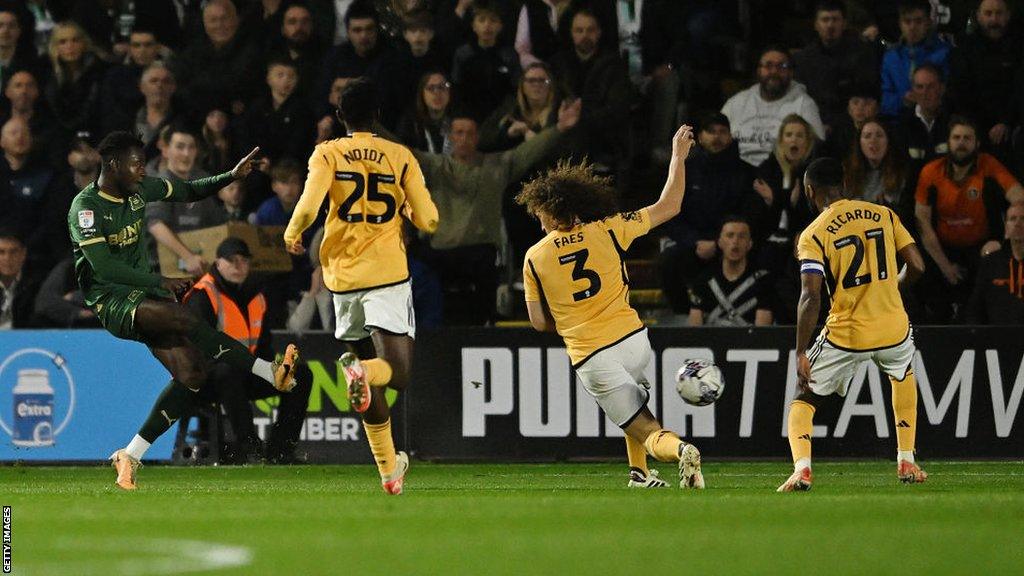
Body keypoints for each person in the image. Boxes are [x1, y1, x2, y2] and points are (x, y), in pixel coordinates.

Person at [67, 131, 298, 490]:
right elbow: (103, 269)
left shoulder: (140, 190)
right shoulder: (86, 208)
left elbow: (190, 190)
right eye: (135, 164)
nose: (142, 171)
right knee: (186, 317)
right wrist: (158, 281)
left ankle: (130, 454)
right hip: (112, 301)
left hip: (143, 295)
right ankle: (269, 372)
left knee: (192, 374)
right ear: (113, 165)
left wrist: (230, 176)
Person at [518, 125, 704, 489]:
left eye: (541, 213)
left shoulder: (534, 257)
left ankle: (680, 450)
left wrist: (571, 323)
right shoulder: (608, 229)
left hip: (593, 354)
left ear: (556, 214)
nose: (539, 220)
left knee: (647, 429)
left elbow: (538, 322)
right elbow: (670, 205)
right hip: (634, 342)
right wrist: (678, 158)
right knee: (635, 407)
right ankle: (640, 474)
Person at [284, 79, 438, 495]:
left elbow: (310, 204)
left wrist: (292, 233)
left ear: (340, 117)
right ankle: (361, 370)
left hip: (341, 278)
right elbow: (430, 221)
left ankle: (390, 471)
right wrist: (406, 206)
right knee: (397, 374)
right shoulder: (400, 156)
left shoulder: (327, 152)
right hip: (385, 273)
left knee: (369, 384)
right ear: (379, 115)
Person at [779, 157, 927, 492]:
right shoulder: (884, 214)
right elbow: (917, 265)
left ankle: (802, 469)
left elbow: (810, 296)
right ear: (844, 182)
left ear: (809, 190)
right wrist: (892, 288)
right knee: (903, 376)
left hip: (848, 334)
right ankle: (907, 459)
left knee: (804, 399)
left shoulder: (813, 234)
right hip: (894, 328)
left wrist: (801, 350)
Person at [413, 101, 580, 325]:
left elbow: (526, 153)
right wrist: (365, 127)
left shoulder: (495, 166)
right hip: (441, 251)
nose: (464, 138)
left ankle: (485, 326)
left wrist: (559, 127)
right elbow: (401, 152)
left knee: (485, 268)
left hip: (479, 251)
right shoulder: (435, 166)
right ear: (450, 137)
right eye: (459, 133)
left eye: (470, 133)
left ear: (477, 137)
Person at [184, 237, 312, 464]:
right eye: (231, 261)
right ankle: (250, 448)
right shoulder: (202, 295)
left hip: (246, 372)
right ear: (218, 263)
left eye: (243, 261)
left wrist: (276, 371)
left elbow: (263, 347)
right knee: (227, 371)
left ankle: (280, 451)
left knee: (299, 374)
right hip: (206, 378)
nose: (238, 266)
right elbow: (197, 351)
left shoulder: (256, 296)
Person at [914, 116, 1023, 321]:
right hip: (941, 247)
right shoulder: (931, 172)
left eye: (967, 138)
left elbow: (1019, 196)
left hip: (980, 245)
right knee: (918, 264)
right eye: (956, 138)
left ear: (977, 144)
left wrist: (1003, 238)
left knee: (994, 258)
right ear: (948, 142)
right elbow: (922, 221)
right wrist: (945, 266)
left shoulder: (988, 166)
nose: (961, 143)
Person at [658, 112, 756, 314]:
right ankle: (683, 316)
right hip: (693, 244)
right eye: (711, 132)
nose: (716, 137)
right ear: (700, 136)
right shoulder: (683, 170)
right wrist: (695, 242)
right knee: (668, 261)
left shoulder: (746, 173)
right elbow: (669, 214)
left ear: (730, 136)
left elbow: (749, 214)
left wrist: (719, 241)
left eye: (722, 132)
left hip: (730, 243)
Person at [721, 46, 825, 167]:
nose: (774, 72)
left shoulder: (804, 104)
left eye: (782, 66)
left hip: (782, 175)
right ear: (759, 70)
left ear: (791, 72)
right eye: (768, 66)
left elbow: (816, 149)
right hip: (736, 172)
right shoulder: (736, 102)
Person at [792, 0, 878, 130]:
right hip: (813, 125)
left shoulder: (861, 54)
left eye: (835, 19)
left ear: (844, 23)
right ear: (816, 24)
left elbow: (865, 94)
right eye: (825, 20)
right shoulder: (803, 59)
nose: (830, 25)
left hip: (851, 125)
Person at [688, 217, 773, 327]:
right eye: (730, 235)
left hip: (748, 343)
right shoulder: (703, 280)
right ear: (719, 242)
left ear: (750, 244)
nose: (735, 241)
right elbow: (694, 332)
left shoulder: (763, 281)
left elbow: (761, 334)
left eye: (742, 236)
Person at [450, 0, 520, 122]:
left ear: (500, 26)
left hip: (501, 116)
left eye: (493, 20)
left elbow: (515, 89)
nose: (487, 25)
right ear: (474, 26)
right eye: (482, 20)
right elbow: (457, 87)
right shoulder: (463, 54)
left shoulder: (509, 55)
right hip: (469, 114)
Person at [880, 0, 951, 119]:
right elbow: (884, 98)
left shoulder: (944, 53)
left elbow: (949, 93)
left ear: (928, 23)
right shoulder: (891, 58)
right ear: (900, 24)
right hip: (899, 123)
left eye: (918, 21)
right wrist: (903, 100)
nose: (912, 27)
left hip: (937, 120)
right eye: (907, 22)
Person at [845, 119, 915, 231]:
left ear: (888, 140)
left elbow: (908, 218)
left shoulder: (904, 173)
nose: (873, 141)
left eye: (879, 135)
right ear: (859, 143)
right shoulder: (848, 174)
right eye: (867, 136)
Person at [965, 203, 1024, 324]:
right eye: (1012, 219)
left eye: (1023, 218)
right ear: (1006, 228)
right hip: (998, 339)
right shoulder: (990, 263)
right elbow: (976, 307)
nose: (1018, 223)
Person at [895, 64, 951, 172]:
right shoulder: (903, 123)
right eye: (919, 87)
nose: (925, 93)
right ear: (913, 90)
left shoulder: (953, 121)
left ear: (942, 88)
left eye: (930, 86)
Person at [396, 71, 453, 154]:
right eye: (431, 88)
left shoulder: (459, 122)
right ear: (422, 94)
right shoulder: (410, 124)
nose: (437, 93)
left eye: (441, 87)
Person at [0, 230, 39, 329]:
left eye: (13, 252)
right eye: (1, 252)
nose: (7, 258)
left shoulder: (37, 284)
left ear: (23, 253)